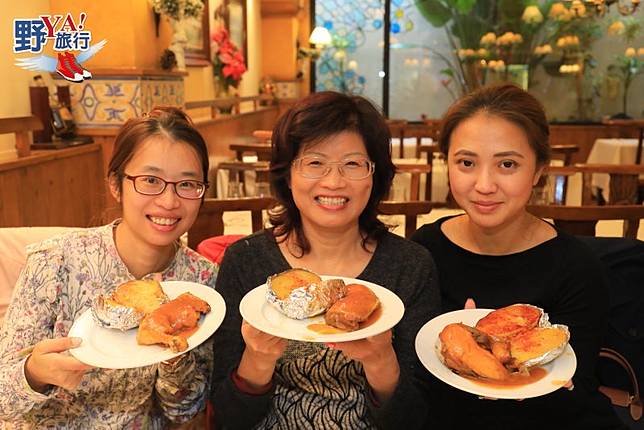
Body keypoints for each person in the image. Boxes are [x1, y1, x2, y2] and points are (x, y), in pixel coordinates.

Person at [211, 91, 441, 429]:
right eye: (315, 162)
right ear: (287, 175)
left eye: (352, 164)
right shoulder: (245, 261)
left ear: (374, 176)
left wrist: (381, 362)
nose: (334, 181)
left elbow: (416, 418)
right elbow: (228, 419)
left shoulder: (411, 266)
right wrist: (257, 361)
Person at [411, 84, 627, 430]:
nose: (484, 184)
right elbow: (414, 379)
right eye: (466, 162)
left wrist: (523, 375)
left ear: (539, 169)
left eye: (507, 164)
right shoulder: (425, 248)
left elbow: (576, 390)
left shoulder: (576, 267)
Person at [0, 107, 218, 428]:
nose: (169, 201)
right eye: (150, 180)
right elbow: (4, 398)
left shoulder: (202, 281)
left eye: (187, 184)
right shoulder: (56, 261)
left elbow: (184, 410)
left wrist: (174, 353)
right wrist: (34, 373)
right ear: (116, 184)